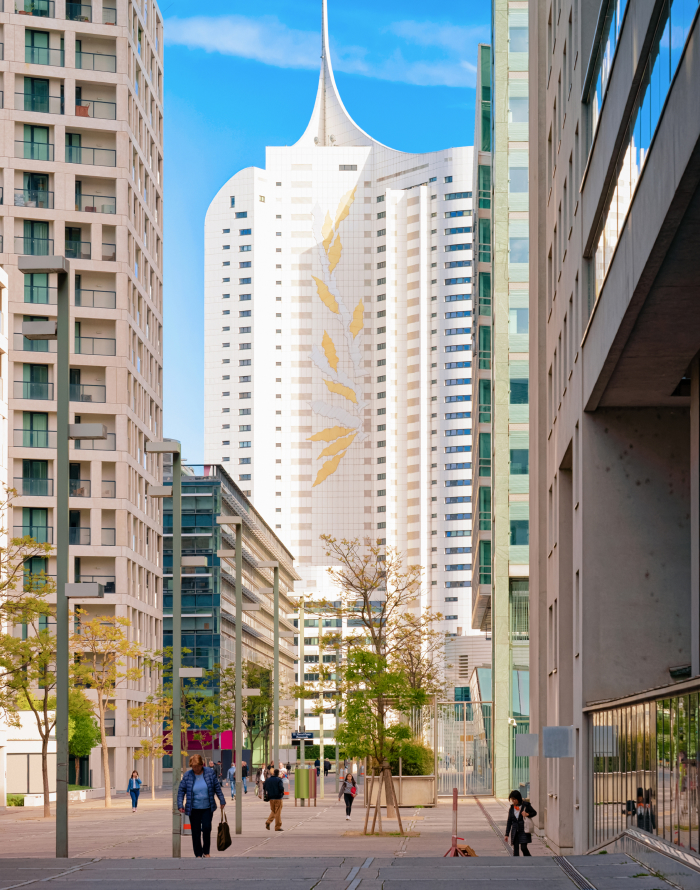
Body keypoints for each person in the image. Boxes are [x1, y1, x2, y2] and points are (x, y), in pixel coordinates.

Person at [177, 754, 226, 858]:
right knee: (196, 832)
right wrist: (180, 804)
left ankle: (206, 851)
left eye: (197, 766)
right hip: (193, 808)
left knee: (207, 828)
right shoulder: (187, 775)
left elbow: (216, 787)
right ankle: (198, 854)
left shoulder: (209, 773)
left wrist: (222, 800)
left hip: (207, 807)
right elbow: (181, 790)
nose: (196, 768)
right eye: (193, 767)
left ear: (202, 764)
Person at [505, 789, 537, 856]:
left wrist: (527, 814)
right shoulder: (511, 808)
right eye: (512, 799)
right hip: (515, 831)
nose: (513, 801)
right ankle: (517, 862)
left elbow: (534, 812)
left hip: (524, 830)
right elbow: (509, 821)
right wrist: (507, 834)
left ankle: (529, 860)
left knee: (523, 848)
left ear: (518, 798)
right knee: (516, 850)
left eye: (514, 799)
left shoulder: (526, 805)